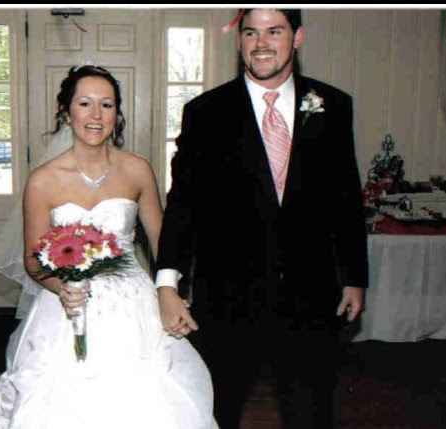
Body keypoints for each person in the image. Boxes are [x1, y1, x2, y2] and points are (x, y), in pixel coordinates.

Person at [0, 64, 218, 429]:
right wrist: (62, 287)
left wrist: (170, 294)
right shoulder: (43, 181)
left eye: (107, 104)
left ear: (117, 114)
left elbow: (164, 243)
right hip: (66, 307)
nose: (96, 115)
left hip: (134, 306)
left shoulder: (137, 170)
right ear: (66, 112)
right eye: (85, 103)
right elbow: (33, 260)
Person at [155, 8, 369, 429]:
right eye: (251, 33)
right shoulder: (205, 112)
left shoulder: (333, 105)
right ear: (239, 40)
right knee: (220, 409)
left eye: (274, 31)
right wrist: (167, 284)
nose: (261, 44)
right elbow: (183, 205)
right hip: (228, 298)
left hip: (311, 296)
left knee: (309, 412)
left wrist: (354, 276)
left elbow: (345, 197)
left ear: (298, 37)